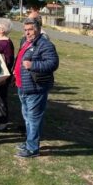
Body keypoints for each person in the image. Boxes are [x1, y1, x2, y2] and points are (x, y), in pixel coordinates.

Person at [14, 18, 59, 158]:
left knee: (33, 119)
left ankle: (33, 149)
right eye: (25, 30)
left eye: (30, 30)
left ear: (38, 29)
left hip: (36, 89)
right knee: (27, 118)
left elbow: (53, 64)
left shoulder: (45, 45)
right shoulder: (26, 43)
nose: (27, 33)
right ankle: (29, 143)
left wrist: (33, 65)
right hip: (23, 87)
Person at [0, 18, 15, 131]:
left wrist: (5, 77)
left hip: (2, 76)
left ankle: (3, 122)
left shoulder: (7, 43)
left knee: (0, 98)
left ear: (3, 29)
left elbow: (9, 60)